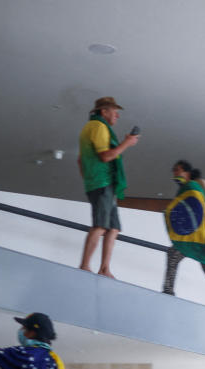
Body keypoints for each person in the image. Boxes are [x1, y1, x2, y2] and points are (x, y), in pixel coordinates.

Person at [77, 96, 139, 278]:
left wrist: (88, 179)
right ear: (104, 111)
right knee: (100, 226)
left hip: (101, 183)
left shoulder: (91, 127)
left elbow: (80, 160)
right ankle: (84, 265)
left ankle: (104, 268)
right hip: (102, 183)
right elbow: (105, 156)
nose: (117, 116)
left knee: (113, 228)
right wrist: (127, 143)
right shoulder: (98, 127)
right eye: (115, 112)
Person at [161, 160, 205, 309]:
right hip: (192, 237)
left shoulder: (192, 187)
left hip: (199, 237)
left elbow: (198, 208)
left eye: (178, 170)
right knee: (174, 254)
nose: (175, 173)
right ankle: (168, 290)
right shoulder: (186, 188)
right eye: (174, 170)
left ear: (187, 173)